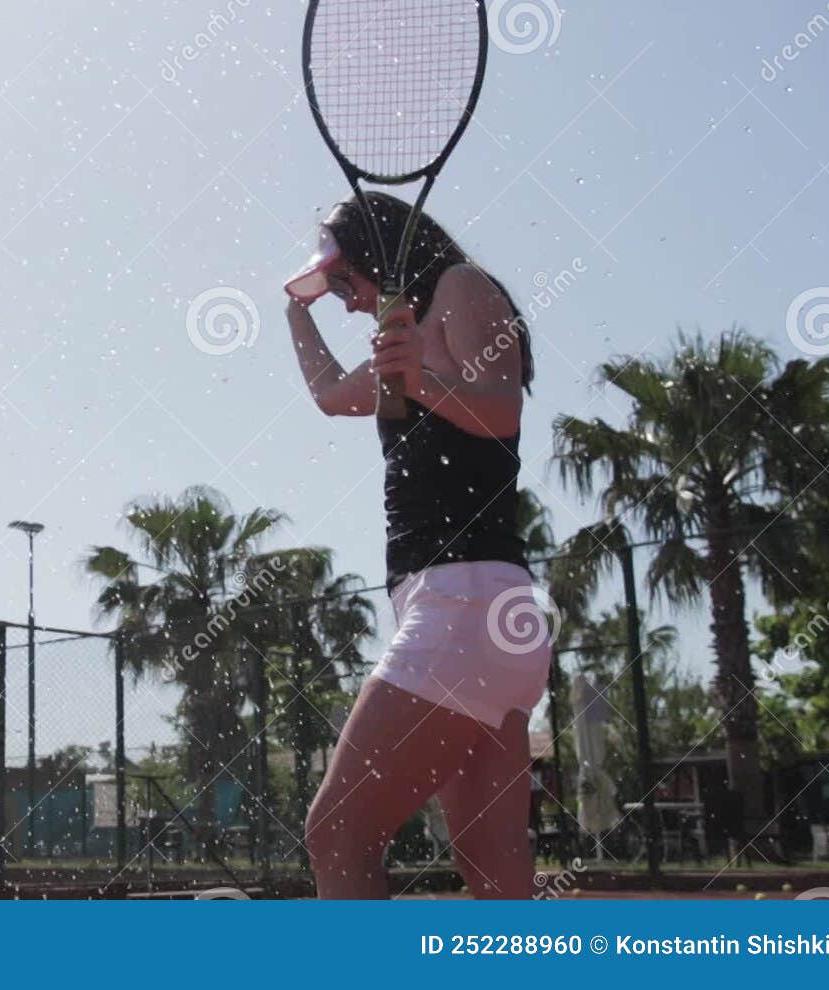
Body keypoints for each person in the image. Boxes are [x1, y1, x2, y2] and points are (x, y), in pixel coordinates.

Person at [284, 193, 550, 899]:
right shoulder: (400, 334)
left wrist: (419, 379)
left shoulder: (460, 287)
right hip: (483, 615)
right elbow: (333, 396)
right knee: (492, 865)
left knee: (338, 832)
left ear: (382, 253)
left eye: (346, 283)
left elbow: (500, 410)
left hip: (463, 604)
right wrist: (296, 314)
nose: (344, 303)